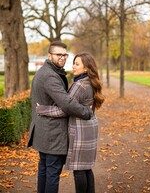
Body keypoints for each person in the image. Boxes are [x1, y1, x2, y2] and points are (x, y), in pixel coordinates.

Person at [27, 42, 93, 193]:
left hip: (45, 132)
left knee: (45, 170)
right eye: (58, 55)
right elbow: (67, 103)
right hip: (52, 134)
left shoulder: (46, 71)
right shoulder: (50, 75)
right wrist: (86, 112)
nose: (62, 58)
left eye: (64, 55)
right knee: (52, 174)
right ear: (49, 56)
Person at [36, 52, 105, 193]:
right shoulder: (90, 82)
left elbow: (64, 109)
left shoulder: (79, 85)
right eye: (73, 63)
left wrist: (43, 109)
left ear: (86, 68)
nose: (73, 66)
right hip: (90, 127)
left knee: (79, 169)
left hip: (80, 130)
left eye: (77, 64)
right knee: (86, 167)